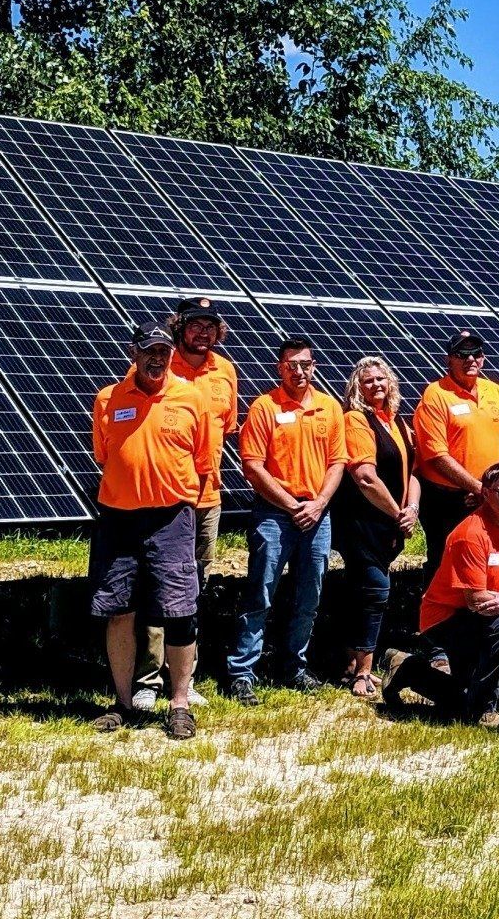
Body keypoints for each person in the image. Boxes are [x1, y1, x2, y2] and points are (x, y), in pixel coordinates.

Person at [88, 323, 214, 739]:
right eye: (149, 351)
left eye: (163, 351)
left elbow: (204, 460)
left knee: (180, 611)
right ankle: (123, 703)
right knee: (119, 610)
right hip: (118, 519)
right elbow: (104, 455)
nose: (157, 359)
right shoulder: (108, 399)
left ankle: (179, 705)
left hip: (172, 519)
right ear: (134, 353)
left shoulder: (192, 398)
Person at [131, 296, 239, 713]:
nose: (203, 332)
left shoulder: (225, 371)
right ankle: (148, 678)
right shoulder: (159, 363)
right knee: (157, 585)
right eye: (195, 324)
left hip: (207, 496)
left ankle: (184, 678)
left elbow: (224, 430)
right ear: (180, 327)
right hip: (165, 498)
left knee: (194, 587)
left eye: (210, 325)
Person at [225, 336, 347, 704]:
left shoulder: (329, 407)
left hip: (318, 515)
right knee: (261, 592)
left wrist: (319, 503)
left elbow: (337, 462)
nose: (299, 371)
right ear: (280, 368)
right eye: (291, 365)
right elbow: (253, 466)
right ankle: (242, 671)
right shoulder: (265, 407)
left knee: (310, 595)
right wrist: (293, 505)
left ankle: (294, 666)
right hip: (275, 514)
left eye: (305, 364)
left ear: (314, 366)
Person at [383, 462, 499, 732]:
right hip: (445, 616)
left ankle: (408, 669)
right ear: (485, 493)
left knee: (461, 696)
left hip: (483, 614)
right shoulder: (470, 534)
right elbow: (477, 601)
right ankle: (484, 711)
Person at [334, 356, 418, 699]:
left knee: (359, 591)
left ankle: (349, 662)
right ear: (357, 387)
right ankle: (364, 672)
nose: (376, 385)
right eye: (367, 380)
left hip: (389, 525)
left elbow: (414, 472)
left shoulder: (398, 422)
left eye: (381, 379)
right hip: (362, 523)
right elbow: (365, 477)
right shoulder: (356, 420)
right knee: (375, 591)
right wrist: (398, 513)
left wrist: (412, 509)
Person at [412, 329, 499, 581]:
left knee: (489, 558)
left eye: (476, 353)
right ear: (449, 359)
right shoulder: (436, 395)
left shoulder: (495, 391)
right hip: (448, 501)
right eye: (462, 354)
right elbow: (436, 455)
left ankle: (484, 603)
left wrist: (495, 486)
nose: (470, 359)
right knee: (448, 563)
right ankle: (439, 607)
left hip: (490, 495)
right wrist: (480, 488)